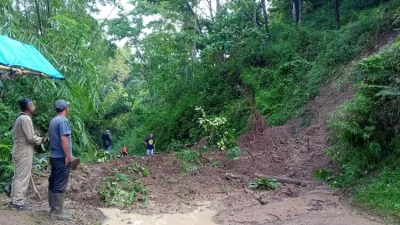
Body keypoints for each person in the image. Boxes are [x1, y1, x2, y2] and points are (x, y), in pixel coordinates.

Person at [9, 98, 45, 210]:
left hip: (18, 149)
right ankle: (18, 202)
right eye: (32, 104)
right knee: (22, 177)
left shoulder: (19, 117)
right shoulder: (25, 119)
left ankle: (14, 199)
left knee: (17, 176)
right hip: (24, 151)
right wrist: (40, 139)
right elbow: (30, 138)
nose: (34, 106)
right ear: (29, 107)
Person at [48, 100, 73, 221]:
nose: (68, 108)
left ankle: (53, 208)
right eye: (67, 106)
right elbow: (63, 139)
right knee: (60, 182)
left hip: (53, 155)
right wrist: (68, 155)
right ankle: (57, 212)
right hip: (61, 157)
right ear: (65, 108)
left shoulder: (53, 120)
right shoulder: (63, 121)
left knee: (53, 181)